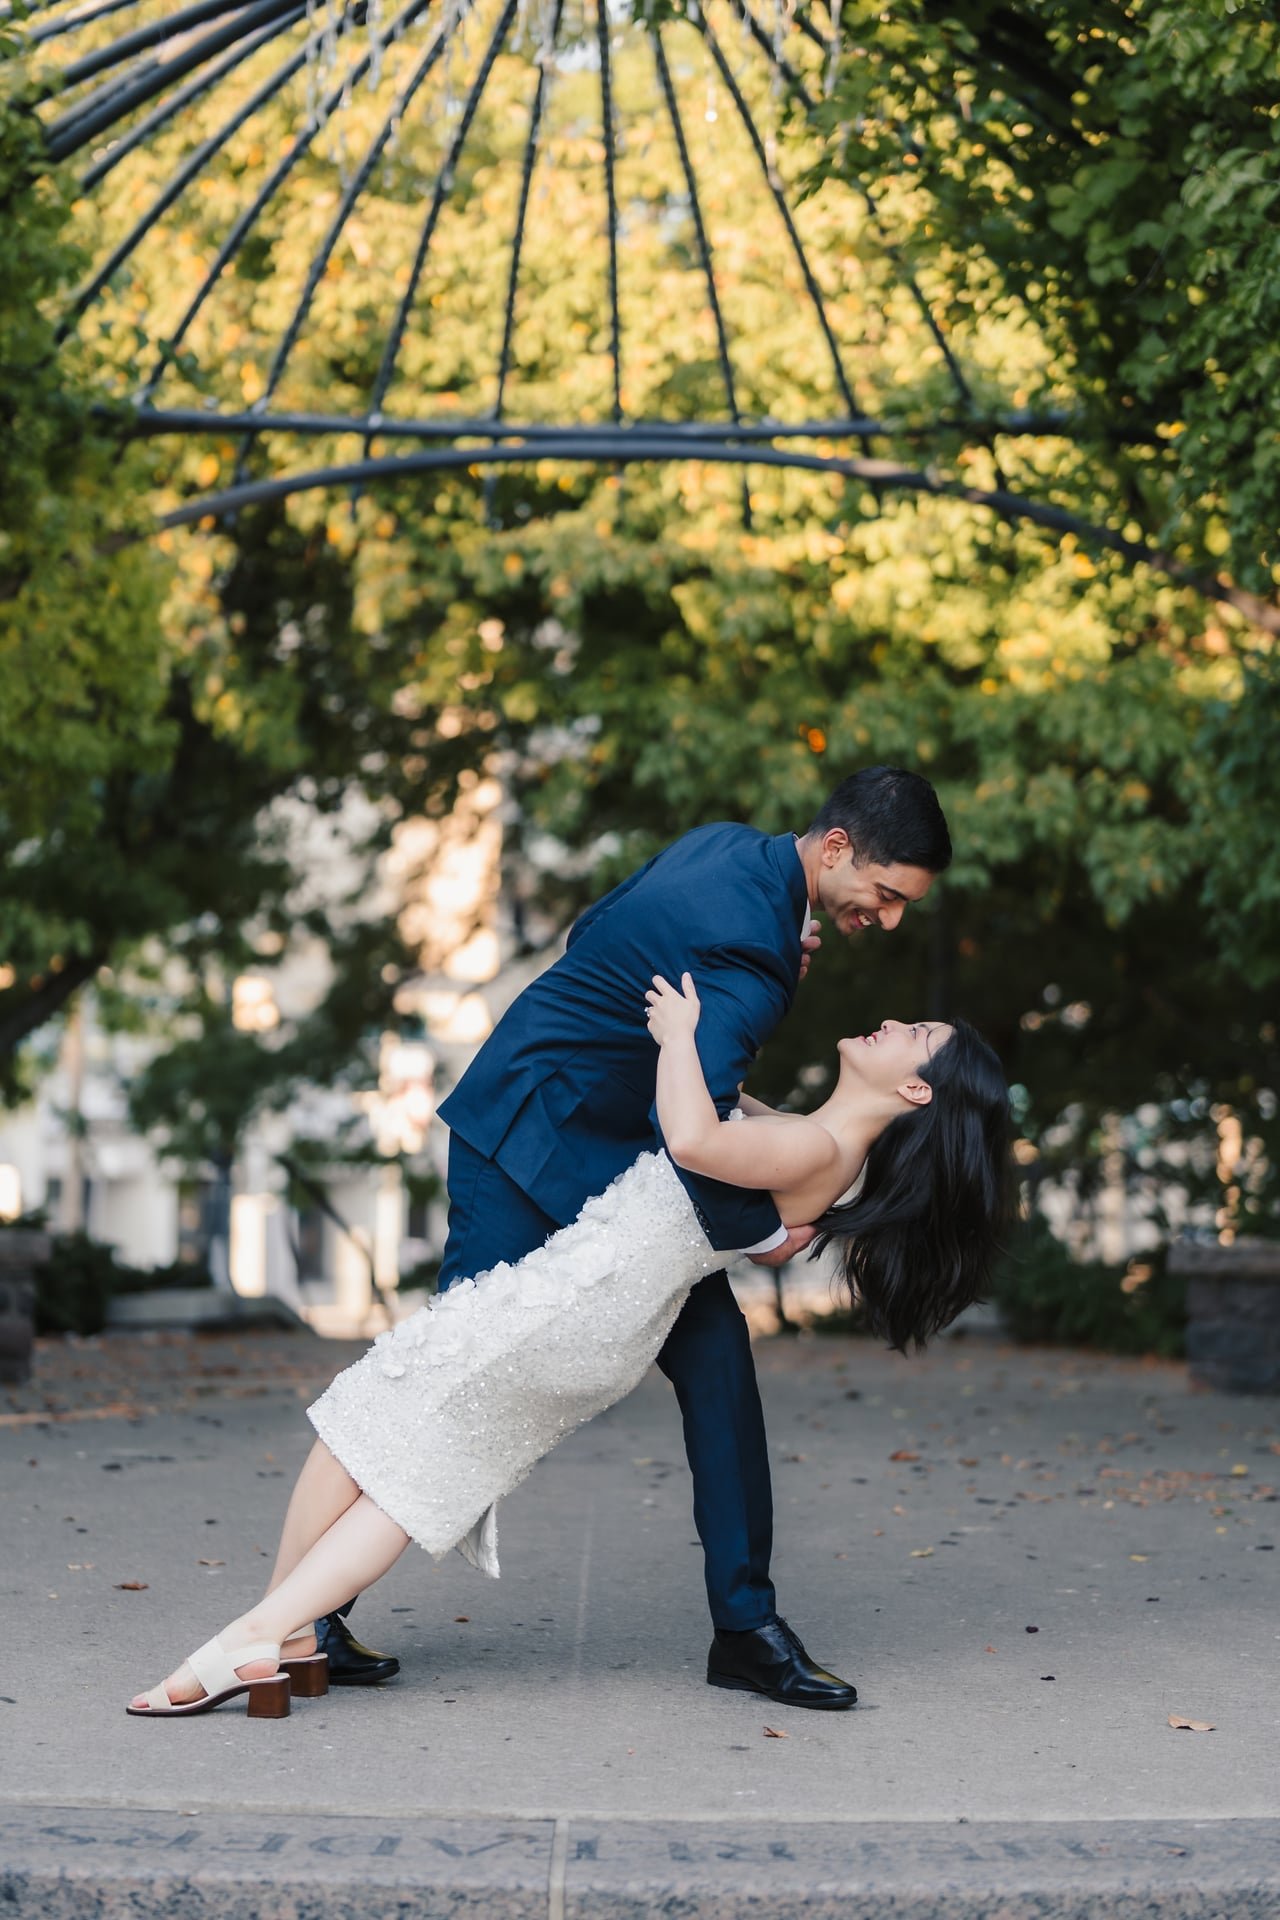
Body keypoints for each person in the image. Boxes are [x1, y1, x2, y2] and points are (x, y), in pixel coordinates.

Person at [127, 767, 966, 1716]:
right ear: (839, 848)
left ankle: (744, 1628)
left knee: (704, 1372)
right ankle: (303, 1623)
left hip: (608, 1170)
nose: (888, 919)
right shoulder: (760, 955)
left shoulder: (723, 846)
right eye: (886, 895)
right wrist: (768, 1231)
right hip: (531, 1147)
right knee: (439, 1389)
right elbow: (702, 1153)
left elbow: (590, 938)